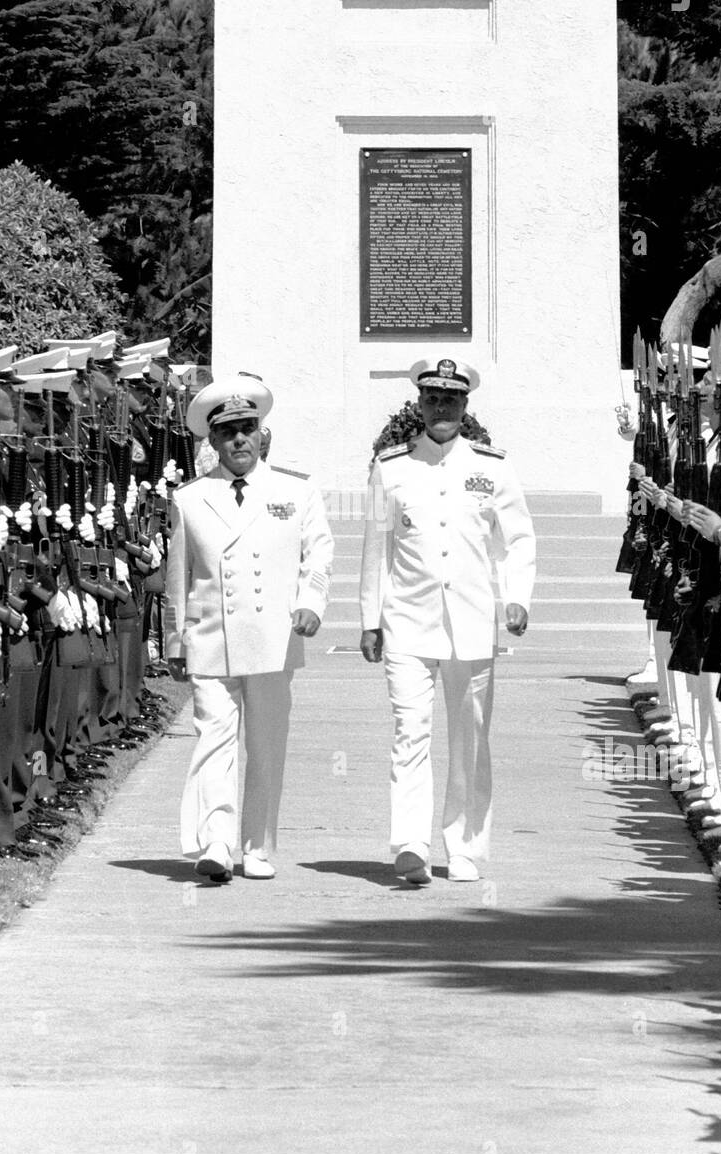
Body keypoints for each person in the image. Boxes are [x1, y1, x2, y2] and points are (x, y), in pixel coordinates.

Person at [359, 356, 536, 885]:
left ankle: (464, 847)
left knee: (470, 737)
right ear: (419, 404)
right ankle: (410, 845)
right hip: (408, 622)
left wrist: (518, 597)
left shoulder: (493, 466)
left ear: (465, 407)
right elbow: (376, 549)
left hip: (473, 622)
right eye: (433, 398)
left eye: (451, 399)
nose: (442, 407)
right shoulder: (390, 468)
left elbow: (519, 538)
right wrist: (371, 618)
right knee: (410, 732)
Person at [164, 376, 333, 881]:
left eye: (248, 429)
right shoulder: (190, 499)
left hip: (273, 638)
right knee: (214, 739)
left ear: (262, 434)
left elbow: (318, 552)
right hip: (211, 638)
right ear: (211, 441)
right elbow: (180, 576)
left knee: (266, 743)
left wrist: (311, 604)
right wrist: (175, 637)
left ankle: (256, 845)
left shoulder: (295, 489)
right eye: (228, 432)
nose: (240, 440)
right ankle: (216, 841)